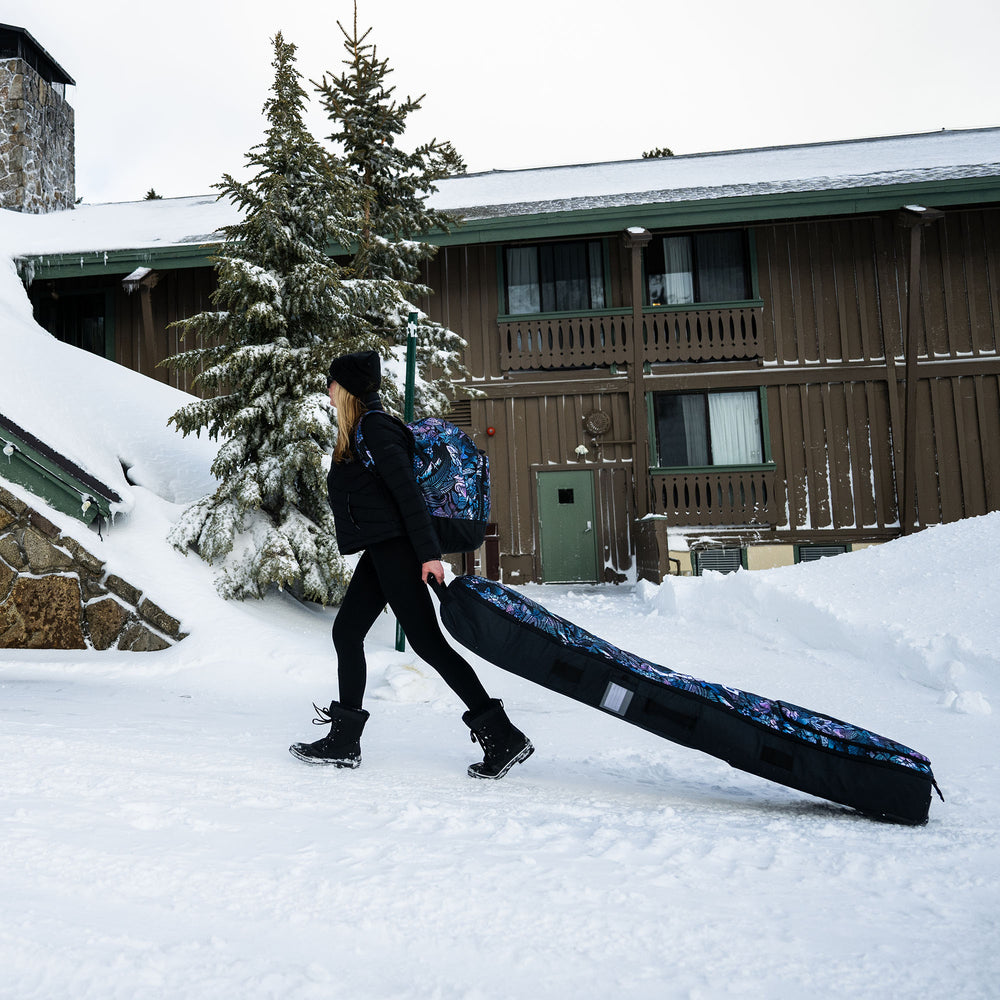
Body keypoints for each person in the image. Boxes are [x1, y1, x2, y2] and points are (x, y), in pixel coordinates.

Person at [289, 349, 534, 779]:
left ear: (346, 388)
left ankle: (503, 736)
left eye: (332, 383)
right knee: (347, 632)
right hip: (383, 547)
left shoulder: (376, 428)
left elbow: (408, 497)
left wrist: (428, 556)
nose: (327, 391)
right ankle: (345, 741)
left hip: (399, 548)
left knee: (429, 644)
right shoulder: (360, 431)